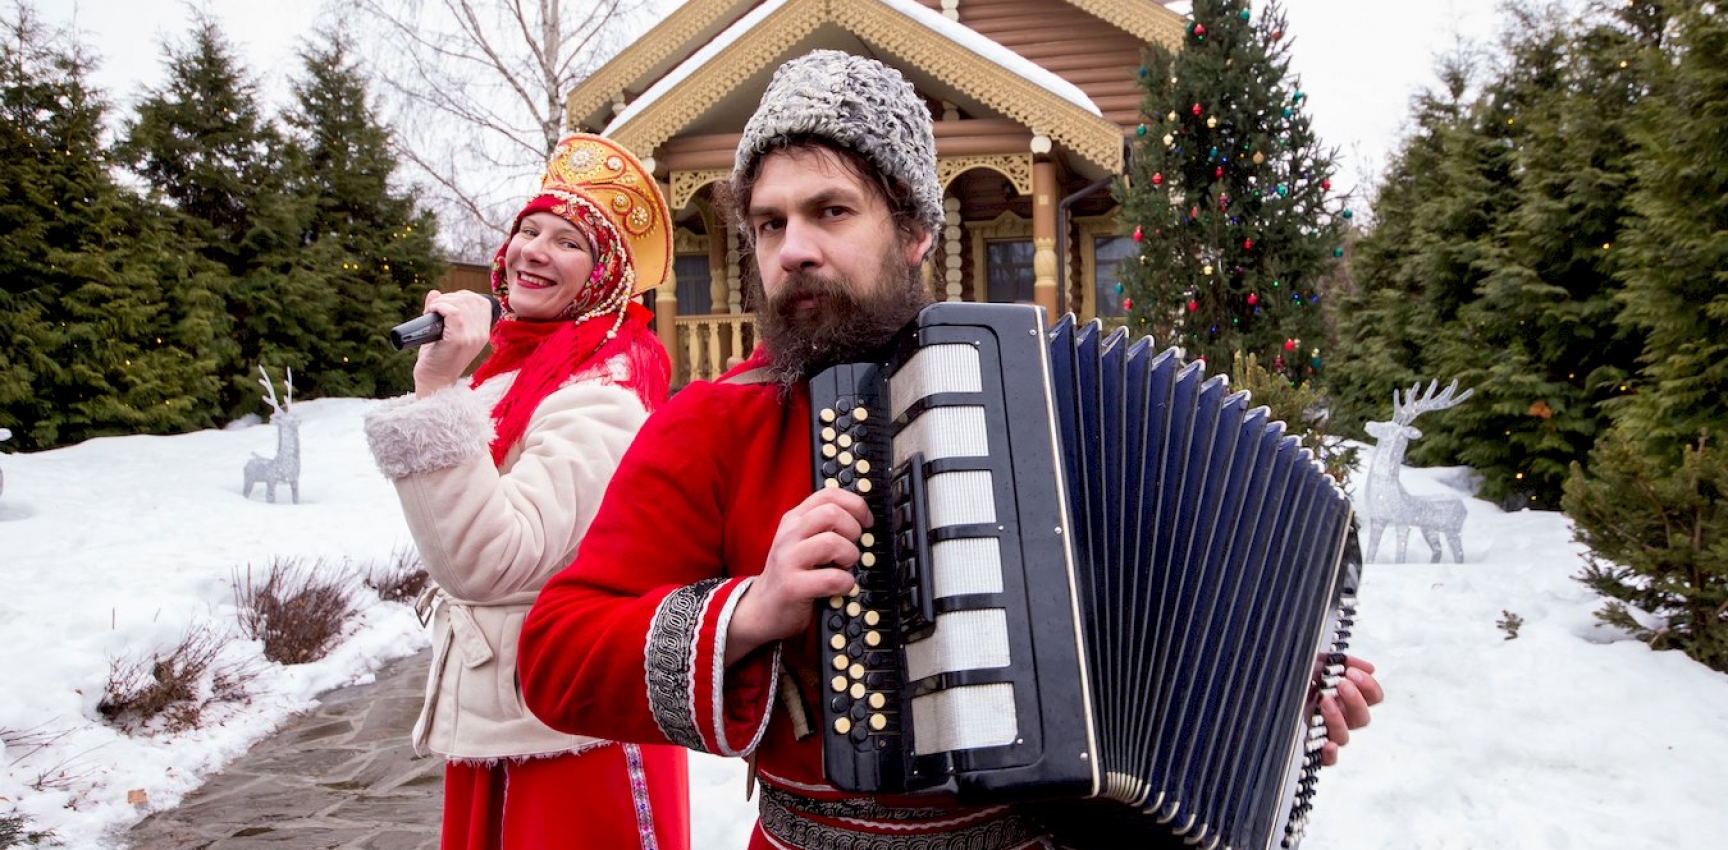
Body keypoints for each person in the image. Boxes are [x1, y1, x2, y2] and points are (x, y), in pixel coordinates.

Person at [518, 51, 1382, 849]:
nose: (796, 250)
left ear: (917, 232)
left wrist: (1275, 696)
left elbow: (1173, 615)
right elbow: (552, 655)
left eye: (830, 211)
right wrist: (751, 610)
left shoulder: (1051, 403)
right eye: (769, 224)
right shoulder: (713, 424)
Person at [362, 133, 689, 850]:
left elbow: (490, 559)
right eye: (528, 231)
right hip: (512, 708)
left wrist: (437, 386)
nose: (534, 250)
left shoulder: (604, 394)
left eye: (568, 241)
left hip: (572, 732)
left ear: (604, 277)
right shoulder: (515, 370)